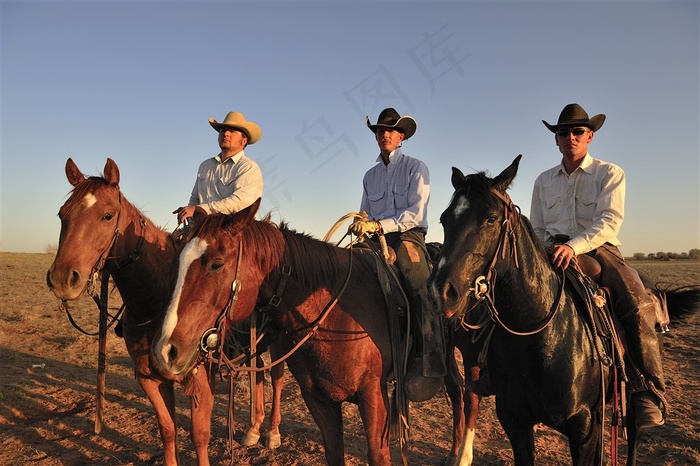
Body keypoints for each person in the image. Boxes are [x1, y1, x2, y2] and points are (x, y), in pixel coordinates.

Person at [530, 103, 666, 430]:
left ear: (589, 136)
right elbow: (536, 227)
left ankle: (646, 389)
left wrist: (572, 246)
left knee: (634, 300)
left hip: (598, 248)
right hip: (551, 250)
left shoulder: (610, 173)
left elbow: (609, 221)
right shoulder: (543, 180)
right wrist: (548, 249)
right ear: (556, 140)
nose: (570, 137)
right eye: (564, 132)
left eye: (578, 131)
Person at [348, 107, 446, 401]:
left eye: (390, 130)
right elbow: (365, 209)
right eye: (380, 130)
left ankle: (431, 357)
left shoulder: (417, 167)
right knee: (346, 268)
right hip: (376, 236)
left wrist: (378, 224)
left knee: (418, 281)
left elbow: (415, 214)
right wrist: (361, 224)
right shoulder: (370, 175)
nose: (384, 134)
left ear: (401, 136)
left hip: (408, 235)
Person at [174, 111, 263, 225]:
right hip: (204, 229)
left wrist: (200, 210)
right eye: (222, 130)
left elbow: (240, 203)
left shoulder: (248, 168)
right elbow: (195, 198)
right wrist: (190, 215)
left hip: (233, 231)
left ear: (244, 140)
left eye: (232, 131)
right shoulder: (205, 166)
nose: (226, 134)